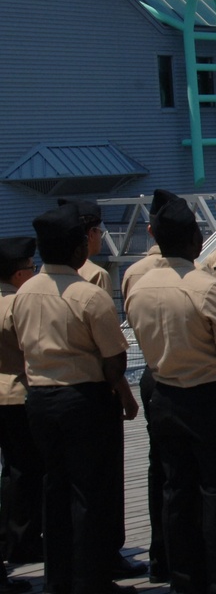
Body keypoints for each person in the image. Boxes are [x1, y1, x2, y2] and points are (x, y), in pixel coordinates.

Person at [125, 193, 216, 594]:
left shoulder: (138, 287)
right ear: (194, 240)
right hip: (207, 396)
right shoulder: (205, 286)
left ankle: (184, 578)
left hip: (162, 392)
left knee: (175, 492)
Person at [11, 203, 138, 594]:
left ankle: (58, 579)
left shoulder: (25, 291)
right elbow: (115, 358)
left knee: (55, 488)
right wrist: (125, 397)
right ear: (75, 248)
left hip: (40, 400)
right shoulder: (87, 295)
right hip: (83, 400)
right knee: (89, 493)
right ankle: (92, 580)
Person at [59, 198, 148, 581]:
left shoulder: (35, 283)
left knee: (60, 483)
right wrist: (125, 396)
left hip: (50, 393)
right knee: (103, 481)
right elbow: (110, 349)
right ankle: (106, 556)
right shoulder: (93, 277)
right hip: (93, 389)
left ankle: (64, 563)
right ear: (89, 235)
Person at [120, 190, 174, 585]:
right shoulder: (197, 271)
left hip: (153, 373)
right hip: (193, 381)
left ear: (151, 230)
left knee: (159, 469)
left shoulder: (132, 274)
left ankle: (161, 557)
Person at [0, 237, 40, 594]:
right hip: (17, 393)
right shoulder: (17, 306)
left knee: (9, 472)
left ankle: (9, 536)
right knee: (25, 470)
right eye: (30, 268)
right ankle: (23, 536)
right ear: (17, 275)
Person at [57, 199, 113, 296]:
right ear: (91, 234)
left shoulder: (48, 273)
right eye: (101, 232)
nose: (101, 237)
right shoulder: (97, 274)